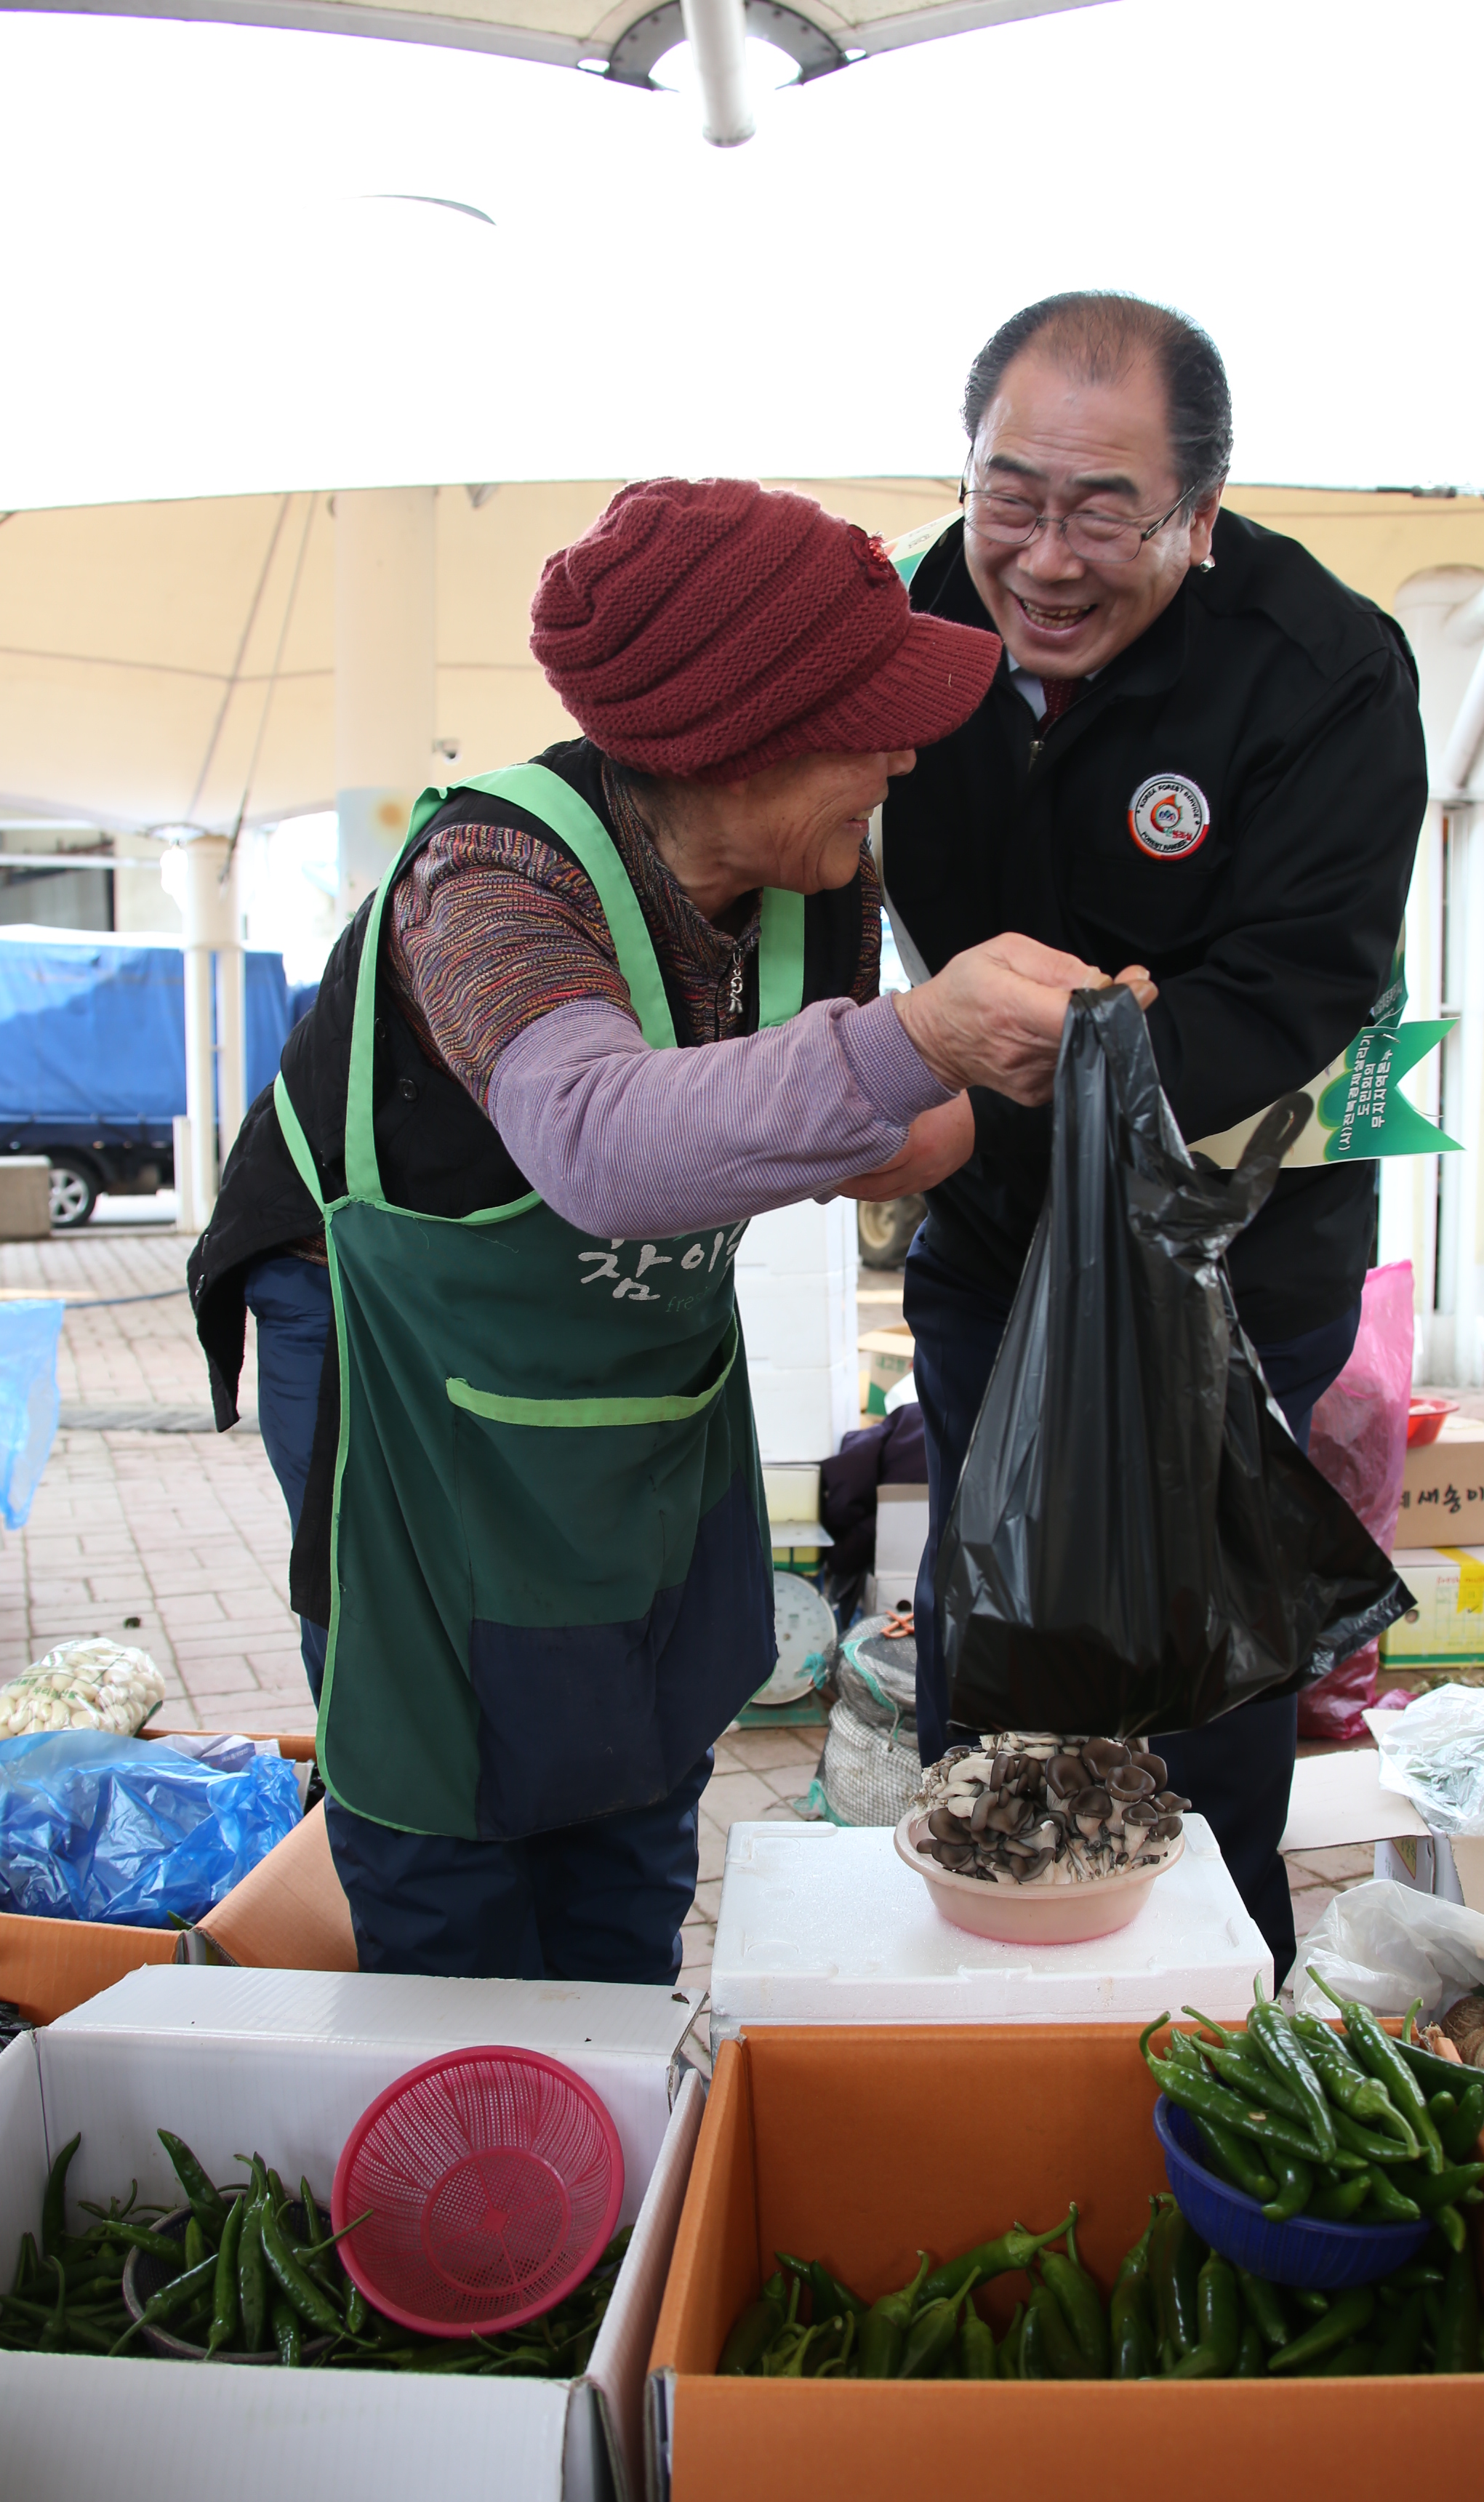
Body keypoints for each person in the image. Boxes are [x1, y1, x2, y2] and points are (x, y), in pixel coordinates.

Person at [190, 477, 1150, 1986]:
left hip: (633, 1362)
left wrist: (995, 1057)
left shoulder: (813, 880)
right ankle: (470, 2099)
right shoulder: (490, 879)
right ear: (730, 737)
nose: (905, 750)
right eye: (867, 719)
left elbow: (891, 1128)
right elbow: (595, 1144)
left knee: (635, 1756)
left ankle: (623, 2086)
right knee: (453, 1794)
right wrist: (912, 1042)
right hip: (397, 1349)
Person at [848, 294, 1428, 1982]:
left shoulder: (1322, 670)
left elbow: (1296, 985)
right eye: (1007, 497)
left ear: (1204, 507)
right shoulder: (901, 624)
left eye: (1103, 510)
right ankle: (997, 1990)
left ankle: (1202, 2009)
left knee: (1193, 1659)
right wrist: (880, 1063)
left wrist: (1043, 1053)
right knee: (1000, 1626)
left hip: (1226, 1266)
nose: (1043, 559)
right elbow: (813, 857)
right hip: (998, 1236)